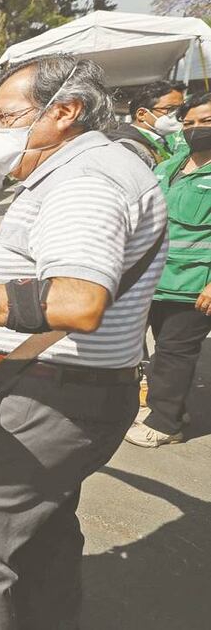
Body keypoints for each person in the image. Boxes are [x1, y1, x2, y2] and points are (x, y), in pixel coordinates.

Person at [0, 54, 165, 628]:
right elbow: (53, 248)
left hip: (51, 399)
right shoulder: (95, 167)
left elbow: (76, 300)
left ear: (64, 111)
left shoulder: (87, 180)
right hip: (78, 393)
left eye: (5, 116)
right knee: (40, 533)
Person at [126, 92, 211, 447]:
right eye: (188, 122)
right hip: (156, 279)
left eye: (205, 122)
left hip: (195, 284)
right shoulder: (169, 165)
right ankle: (169, 405)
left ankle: (165, 423)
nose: (195, 130)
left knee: (176, 352)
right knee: (161, 349)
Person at [110, 80, 187, 166]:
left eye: (181, 109)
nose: (179, 115)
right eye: (171, 109)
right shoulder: (128, 148)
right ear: (141, 114)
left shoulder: (160, 143)